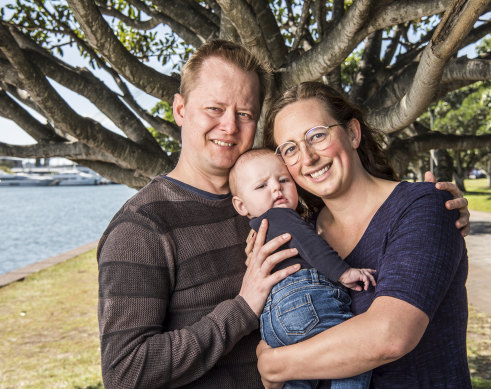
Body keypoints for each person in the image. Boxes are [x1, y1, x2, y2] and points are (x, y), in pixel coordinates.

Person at [97, 39, 470, 388]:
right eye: (214, 108)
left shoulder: (286, 211)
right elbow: (125, 372)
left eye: (244, 113)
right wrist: (241, 309)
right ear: (180, 109)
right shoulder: (142, 228)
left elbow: (377, 218)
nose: (229, 126)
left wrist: (430, 208)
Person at [255, 81, 471, 388]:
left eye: (317, 135)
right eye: (290, 149)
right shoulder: (300, 234)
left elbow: (390, 335)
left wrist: (275, 365)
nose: (308, 157)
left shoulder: (423, 207)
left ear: (353, 133)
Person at [229, 148, 375, 388]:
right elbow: (312, 246)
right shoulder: (280, 217)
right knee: (352, 358)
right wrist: (344, 272)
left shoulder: (258, 233)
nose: (276, 188)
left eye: (284, 180)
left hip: (274, 326)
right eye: (261, 186)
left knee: (299, 379)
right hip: (307, 305)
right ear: (241, 205)